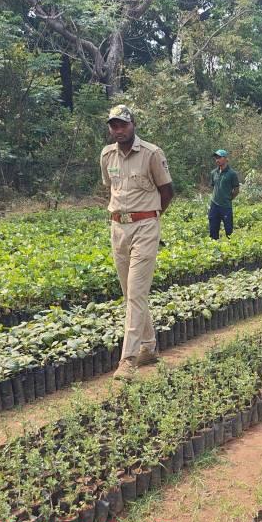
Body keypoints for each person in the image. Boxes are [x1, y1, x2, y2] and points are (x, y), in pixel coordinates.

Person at [100, 105, 174, 378]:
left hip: (145, 227)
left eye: (123, 125)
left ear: (133, 125)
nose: (119, 130)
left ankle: (128, 360)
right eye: (114, 126)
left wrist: (150, 217)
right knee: (130, 293)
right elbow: (110, 188)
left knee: (136, 293)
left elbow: (167, 191)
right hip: (118, 228)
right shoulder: (107, 155)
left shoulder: (151, 154)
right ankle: (149, 346)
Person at [208, 149, 239, 240]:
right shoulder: (213, 173)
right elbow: (213, 187)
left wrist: (228, 198)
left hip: (226, 206)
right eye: (216, 158)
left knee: (229, 231)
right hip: (214, 205)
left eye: (219, 157)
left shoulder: (232, 174)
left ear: (225, 159)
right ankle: (214, 246)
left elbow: (236, 190)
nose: (217, 160)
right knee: (213, 230)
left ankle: (231, 246)